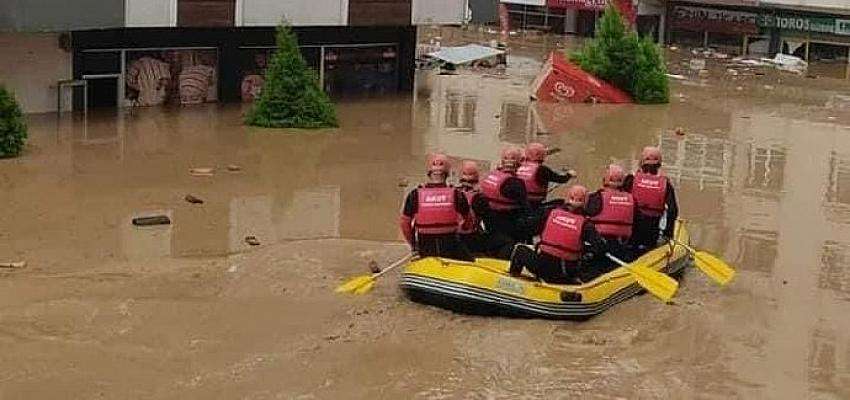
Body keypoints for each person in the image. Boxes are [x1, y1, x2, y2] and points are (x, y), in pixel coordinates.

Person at [508, 185, 607, 284]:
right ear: (586, 203)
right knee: (589, 258)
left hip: (541, 267)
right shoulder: (586, 225)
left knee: (519, 248)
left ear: (568, 198)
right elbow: (601, 247)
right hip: (565, 273)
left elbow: (530, 229)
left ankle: (513, 280)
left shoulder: (550, 213)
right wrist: (585, 251)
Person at [400, 153, 474, 261]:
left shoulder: (414, 195)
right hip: (451, 248)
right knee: (471, 261)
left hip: (425, 248)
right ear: (447, 173)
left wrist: (414, 247)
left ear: (429, 173)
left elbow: (404, 224)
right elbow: (469, 222)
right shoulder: (457, 194)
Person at [623, 146, 679, 253]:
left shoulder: (631, 180)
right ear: (659, 165)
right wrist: (668, 234)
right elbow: (672, 211)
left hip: (631, 234)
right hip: (651, 236)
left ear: (641, 162)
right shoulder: (665, 184)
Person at [480, 147, 531, 256]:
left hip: (488, 224)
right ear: (520, 162)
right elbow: (526, 209)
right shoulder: (515, 183)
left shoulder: (490, 175)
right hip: (507, 227)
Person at [585, 164, 637, 262]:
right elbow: (637, 224)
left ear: (604, 180)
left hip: (596, 247)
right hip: (620, 248)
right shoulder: (632, 200)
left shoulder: (594, 198)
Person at [516, 142, 576, 207]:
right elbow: (561, 179)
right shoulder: (542, 169)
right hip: (534, 205)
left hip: (519, 203)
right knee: (561, 202)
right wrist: (569, 174)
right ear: (540, 155)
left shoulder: (518, 167)